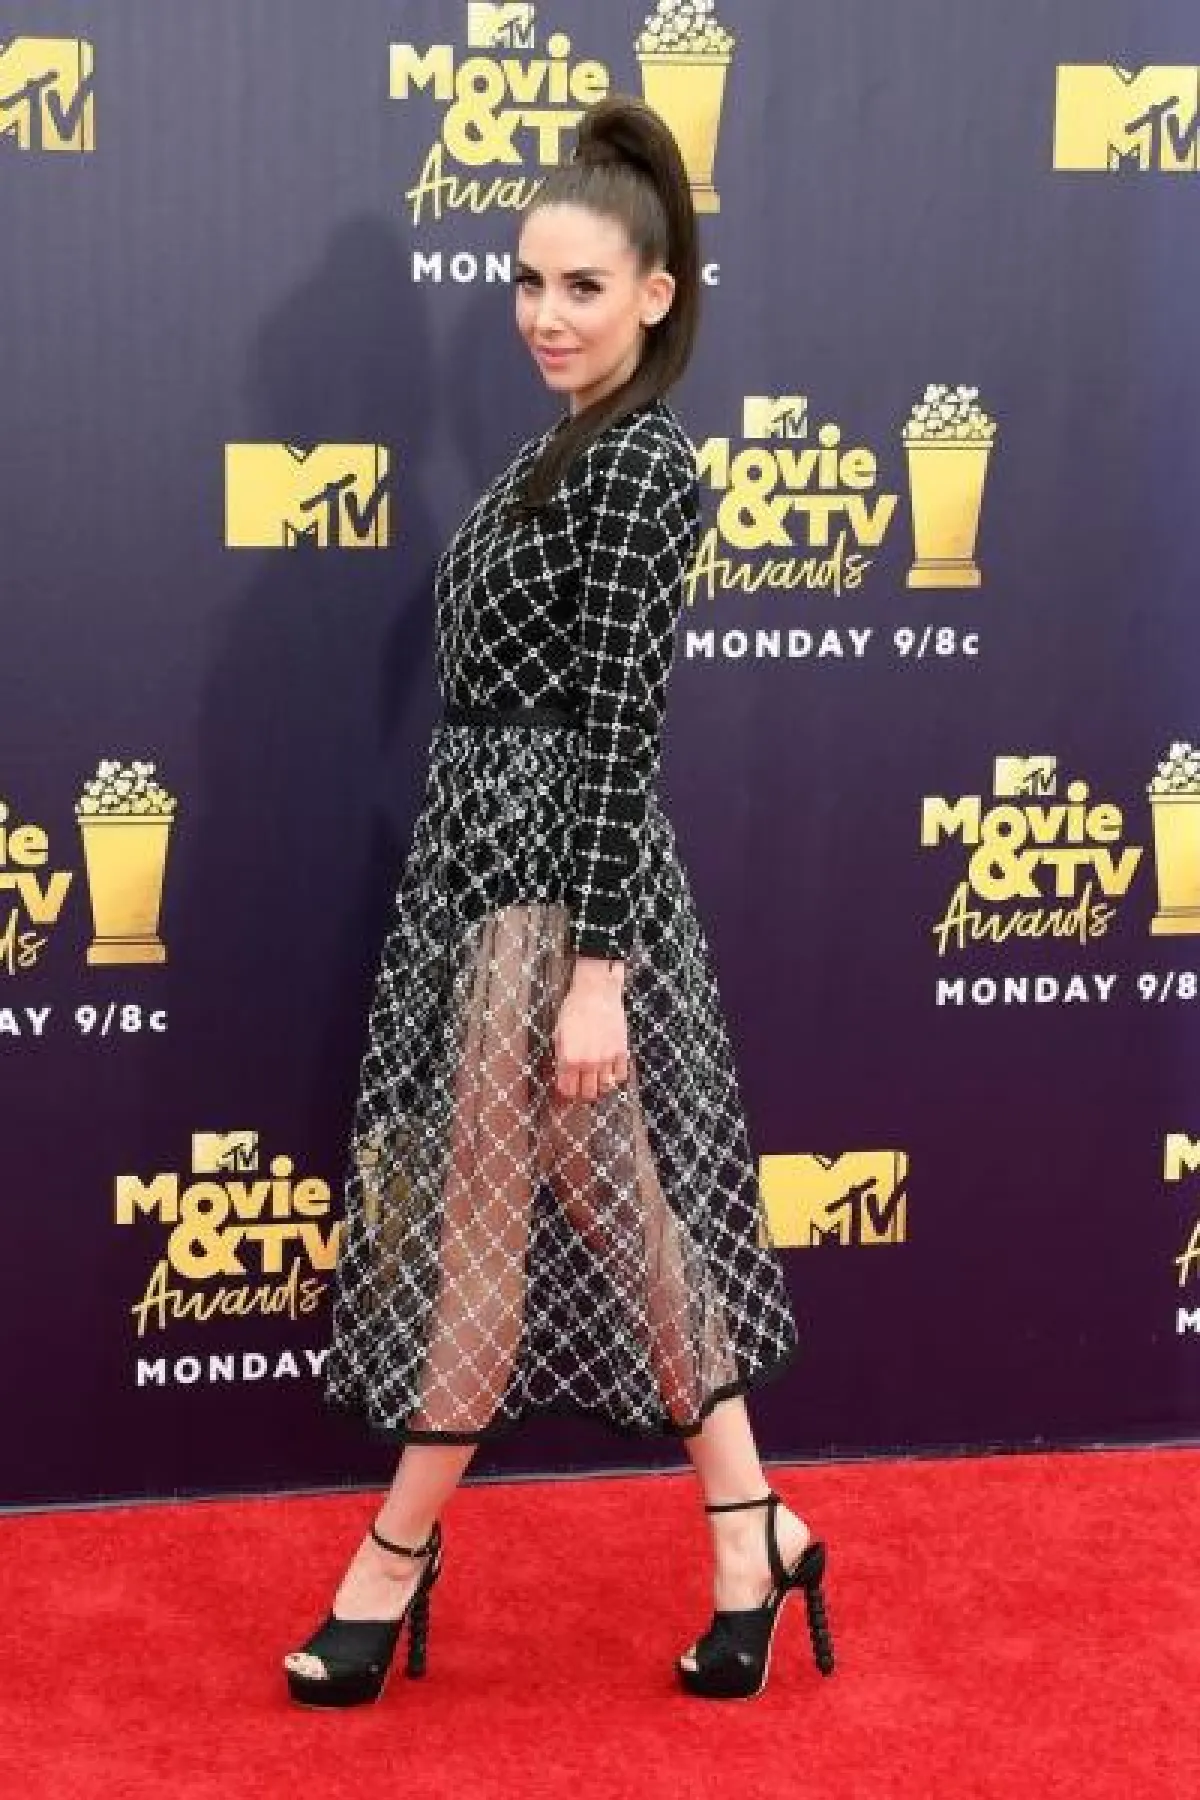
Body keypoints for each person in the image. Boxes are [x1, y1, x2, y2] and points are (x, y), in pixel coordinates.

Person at [283, 93, 834, 1709]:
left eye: (583, 285)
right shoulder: (555, 452)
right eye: (527, 281)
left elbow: (618, 738)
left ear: (658, 294)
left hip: (549, 897)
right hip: (490, 879)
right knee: (627, 1213)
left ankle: (390, 1559)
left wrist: (595, 971)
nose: (545, 312)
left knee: (482, 1229)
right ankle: (753, 1530)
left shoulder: (644, 468)